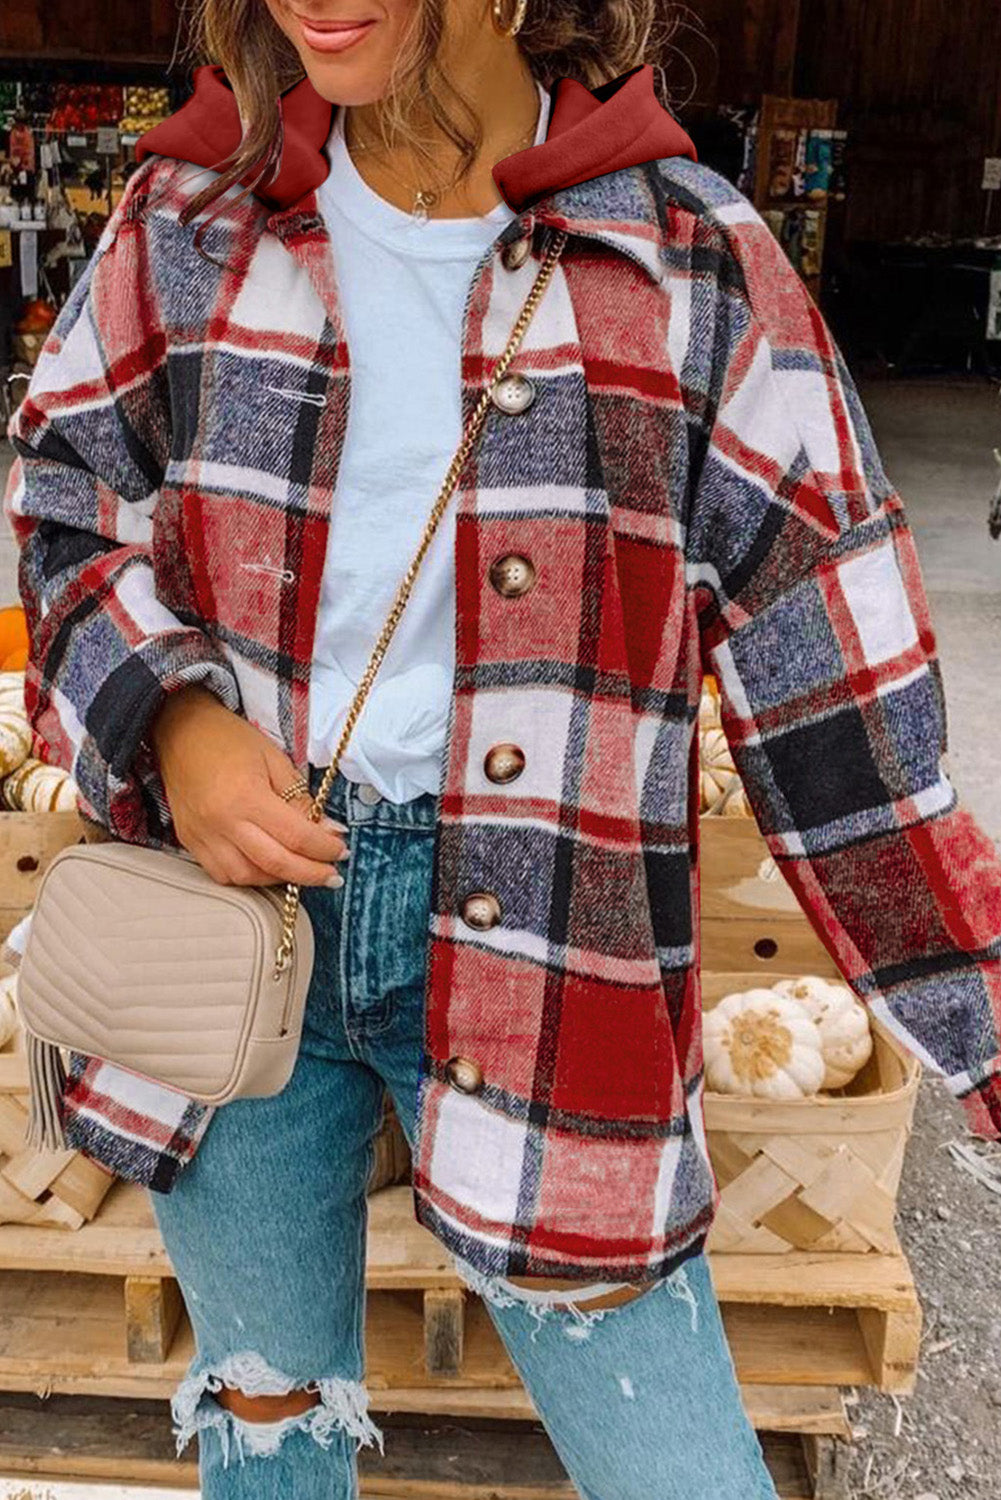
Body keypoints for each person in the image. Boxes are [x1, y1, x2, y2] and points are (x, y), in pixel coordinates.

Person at [4, 0, 1000, 1495]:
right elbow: (62, 490)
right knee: (266, 1439)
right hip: (229, 930)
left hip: (550, 949)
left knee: (673, 1467)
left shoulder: (688, 263)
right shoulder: (194, 214)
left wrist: (980, 1034)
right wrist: (179, 718)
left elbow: (842, 699)